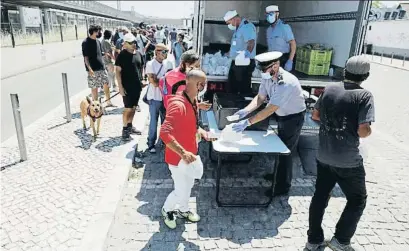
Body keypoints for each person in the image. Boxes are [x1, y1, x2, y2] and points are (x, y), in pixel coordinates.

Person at [305, 56, 374, 251]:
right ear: (366, 76)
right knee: (357, 199)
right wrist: (366, 131)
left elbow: (315, 115)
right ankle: (341, 240)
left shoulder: (329, 89)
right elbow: (363, 130)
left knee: (320, 196)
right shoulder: (364, 96)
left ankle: (314, 240)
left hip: (324, 155)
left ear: (345, 71)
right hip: (348, 161)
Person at [230, 51, 306, 196]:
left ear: (276, 65)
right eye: (261, 69)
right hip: (282, 115)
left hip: (293, 117)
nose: (262, 72)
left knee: (285, 151)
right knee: (279, 148)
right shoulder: (268, 77)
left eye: (265, 69)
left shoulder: (287, 83)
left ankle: (282, 187)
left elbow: (270, 109)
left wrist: (248, 122)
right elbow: (260, 98)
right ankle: (278, 175)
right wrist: (245, 111)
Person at [160, 69, 214, 229]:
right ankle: (167, 210)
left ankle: (183, 210)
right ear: (197, 85)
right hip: (178, 159)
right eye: (203, 84)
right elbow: (164, 133)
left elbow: (192, 124)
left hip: (191, 155)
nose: (205, 87)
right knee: (180, 189)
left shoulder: (192, 101)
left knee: (188, 185)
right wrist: (183, 152)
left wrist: (202, 132)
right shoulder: (178, 105)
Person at [115, 33, 145, 140]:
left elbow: (141, 68)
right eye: (131, 43)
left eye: (134, 42)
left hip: (137, 87)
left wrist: (142, 80)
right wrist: (120, 88)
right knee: (127, 109)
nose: (134, 44)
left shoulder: (139, 54)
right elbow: (117, 72)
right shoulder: (122, 56)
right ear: (125, 44)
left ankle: (130, 126)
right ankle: (124, 129)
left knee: (133, 108)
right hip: (126, 87)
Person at [145, 43, 174, 153]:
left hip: (165, 98)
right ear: (157, 52)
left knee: (165, 121)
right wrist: (164, 81)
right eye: (164, 52)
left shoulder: (168, 63)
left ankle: (164, 141)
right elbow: (154, 82)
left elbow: (171, 80)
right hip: (154, 97)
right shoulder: (150, 64)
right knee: (153, 121)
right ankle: (151, 144)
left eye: (167, 52)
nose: (166, 54)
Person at [223, 10, 257, 95]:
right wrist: (229, 53)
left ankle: (243, 105)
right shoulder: (238, 28)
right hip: (237, 62)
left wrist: (247, 54)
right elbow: (236, 44)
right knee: (232, 86)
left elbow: (251, 42)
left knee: (243, 88)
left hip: (244, 63)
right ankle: (233, 104)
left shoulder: (246, 27)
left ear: (234, 19)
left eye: (229, 23)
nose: (229, 25)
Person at [82, 24, 114, 106]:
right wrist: (90, 69)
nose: (100, 33)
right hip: (93, 69)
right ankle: (95, 105)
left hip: (102, 68)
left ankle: (108, 102)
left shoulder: (98, 41)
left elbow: (100, 53)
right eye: (98, 31)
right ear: (94, 32)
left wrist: (106, 55)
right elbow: (86, 58)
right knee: (94, 88)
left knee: (106, 84)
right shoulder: (86, 42)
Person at [265, 5, 296, 71]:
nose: (269, 16)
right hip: (272, 60)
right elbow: (269, 47)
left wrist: (290, 61)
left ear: (277, 14)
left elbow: (293, 44)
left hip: (283, 60)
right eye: (267, 15)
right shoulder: (268, 30)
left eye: (271, 14)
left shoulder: (284, 27)